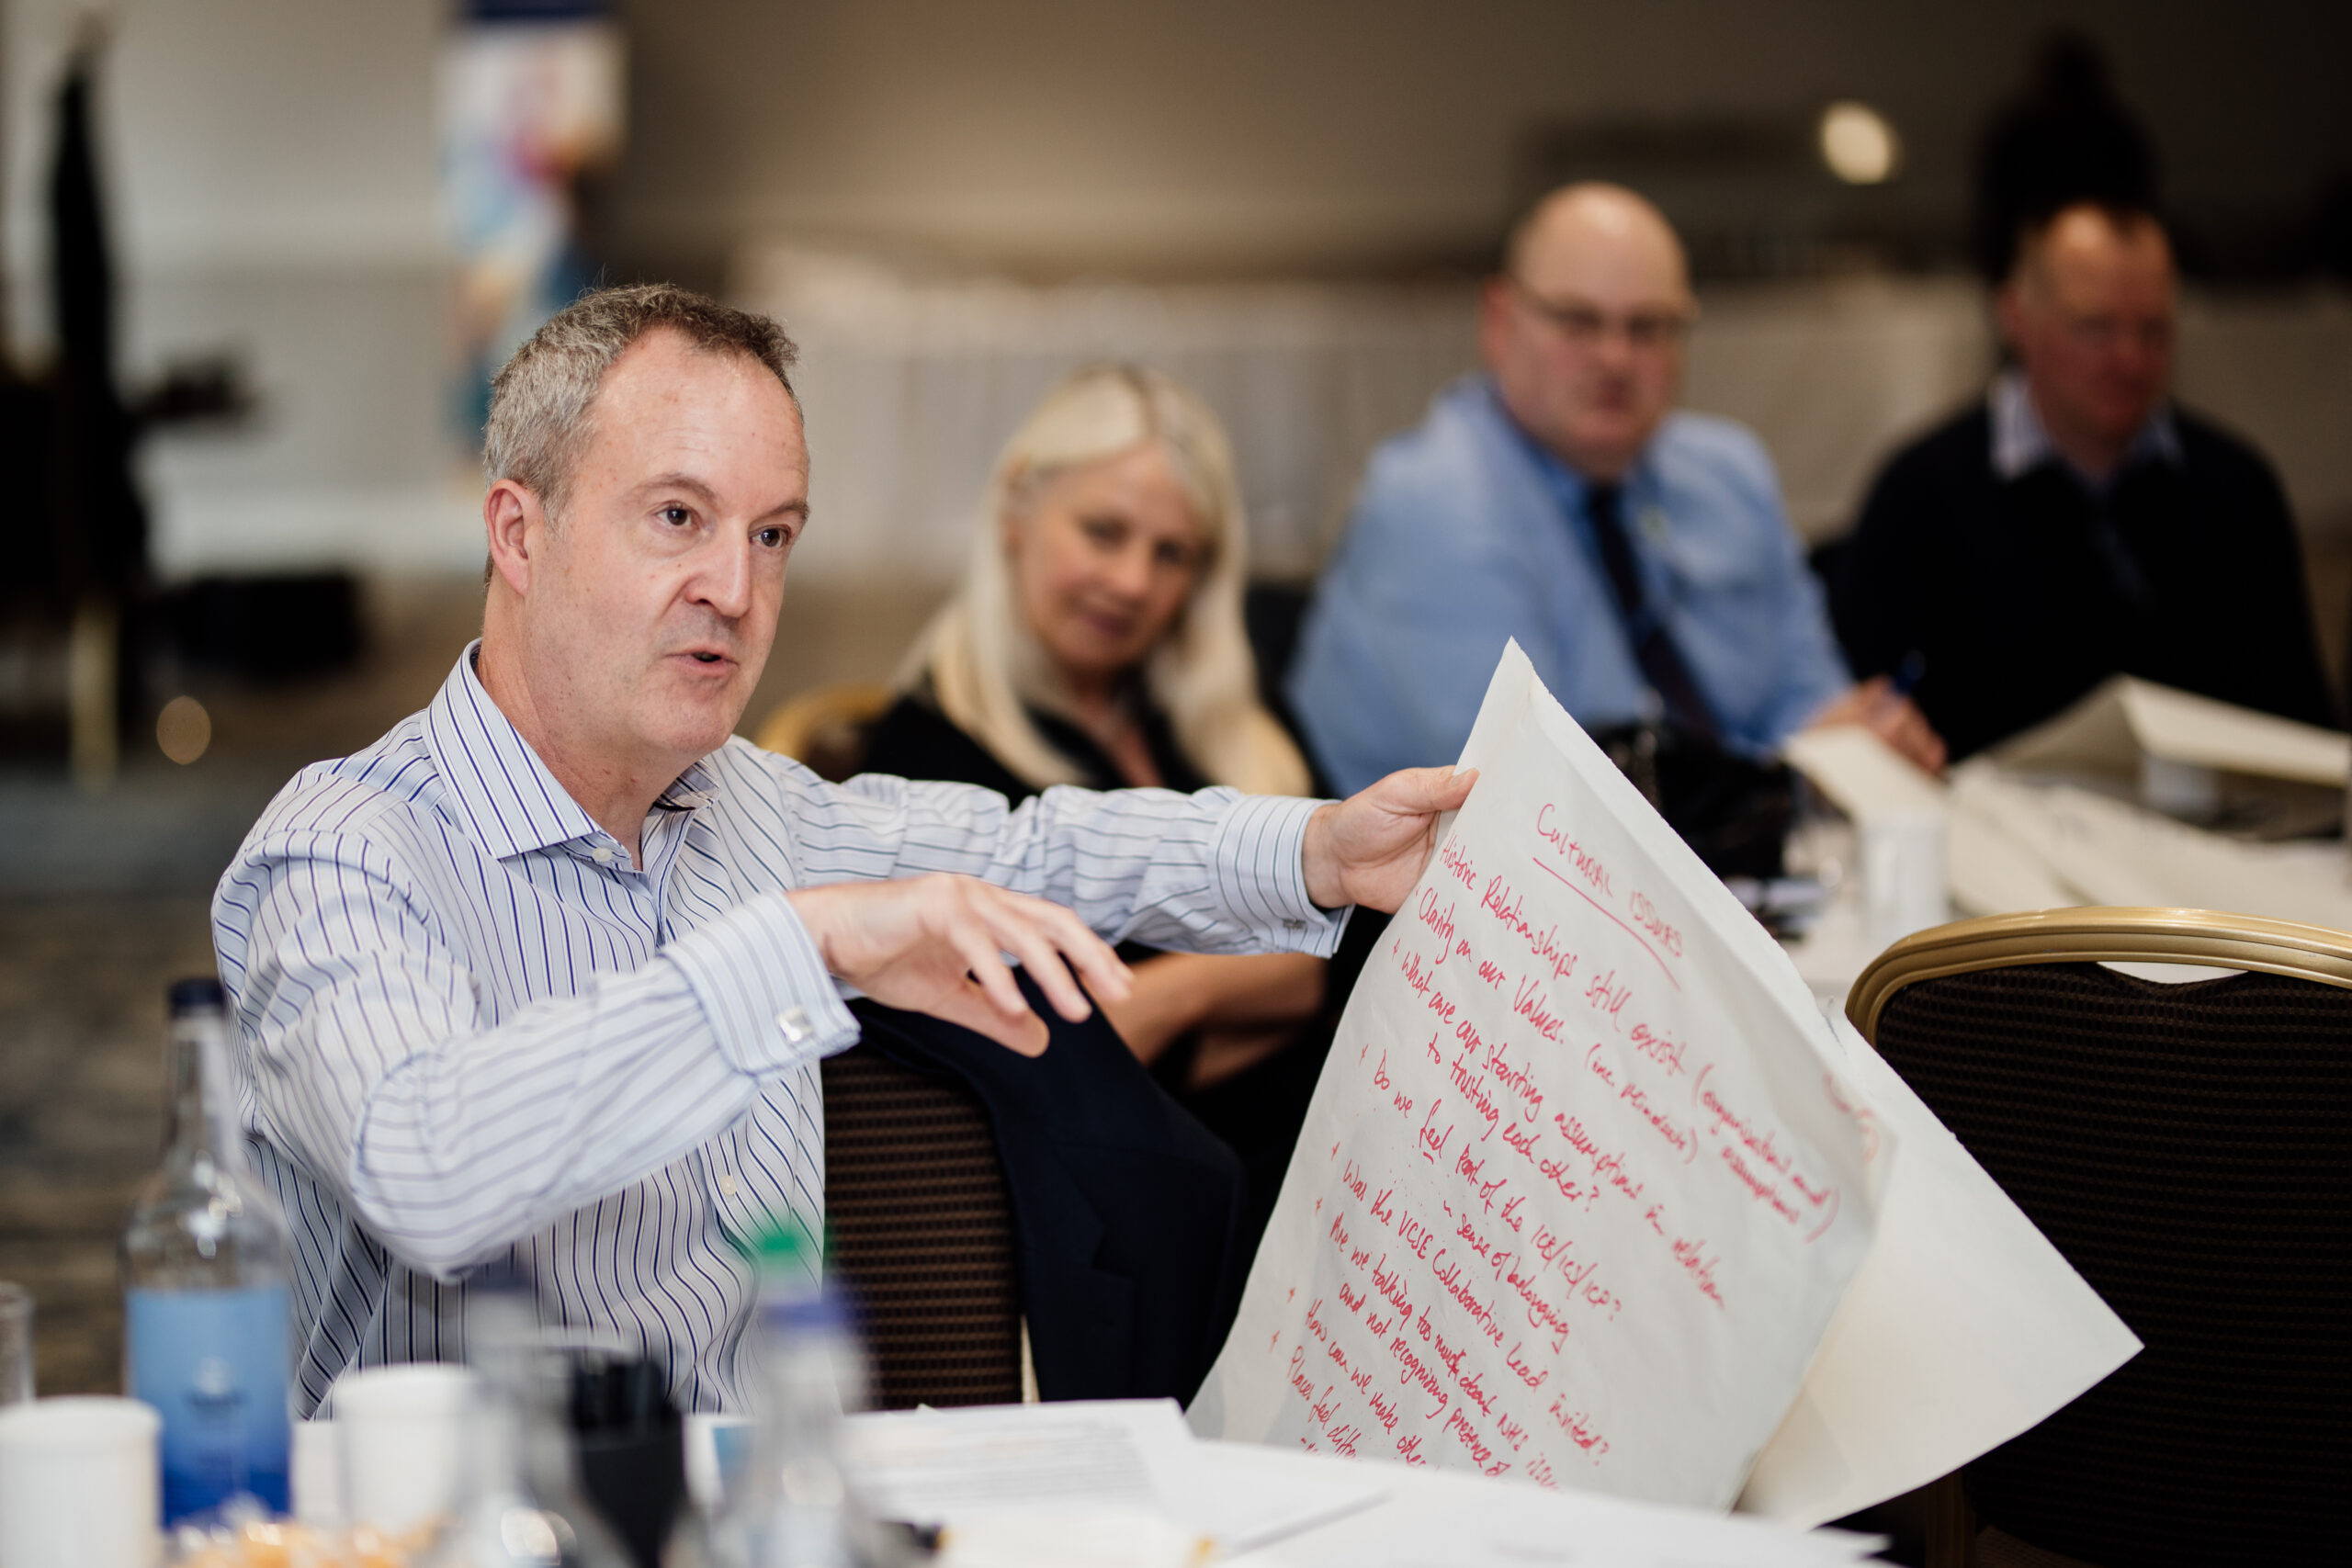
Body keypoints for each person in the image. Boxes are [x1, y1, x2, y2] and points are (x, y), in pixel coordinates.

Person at [209, 285, 1472, 1414]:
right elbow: (425, 1164)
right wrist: (797, 948)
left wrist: (1316, 849)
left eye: (772, 535)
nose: (736, 589)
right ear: (518, 532)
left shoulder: (754, 803)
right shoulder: (343, 854)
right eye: (676, 516)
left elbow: (1044, 844)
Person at [862, 364, 1337, 1231]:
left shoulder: (1222, 716)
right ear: (1014, 513)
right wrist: (1268, 971)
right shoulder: (926, 754)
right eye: (1103, 531)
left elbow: (1344, 951)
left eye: (1171, 554)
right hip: (1161, 1208)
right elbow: (1038, 1057)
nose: (1130, 582)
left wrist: (1176, 996)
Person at [1286, 182, 1942, 801]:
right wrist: (1793, 775)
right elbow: (1551, 800)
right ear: (1500, 320)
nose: (1616, 358)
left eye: (1648, 327)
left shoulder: (1729, 475)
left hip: (1748, 882)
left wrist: (1857, 746)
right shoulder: (1431, 503)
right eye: (1578, 321)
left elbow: (1816, 704)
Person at [1829, 203, 2336, 760]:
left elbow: (2302, 726)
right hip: (1986, 830)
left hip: (2212, 830)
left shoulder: (2235, 487)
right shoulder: (1922, 493)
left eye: (2153, 331)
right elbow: (1863, 721)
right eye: (2096, 328)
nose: (2128, 358)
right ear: (2016, 318)